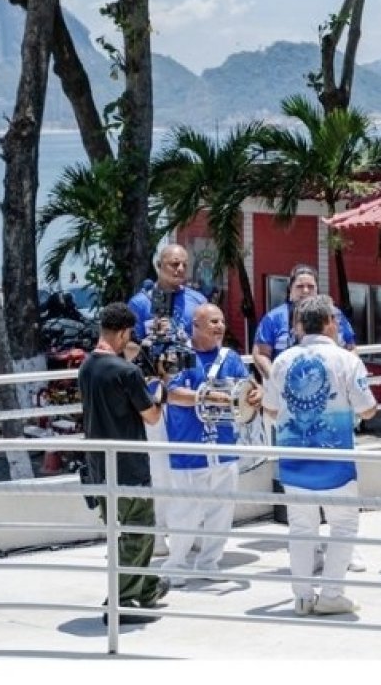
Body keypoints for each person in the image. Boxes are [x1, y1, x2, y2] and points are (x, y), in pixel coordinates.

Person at [262, 295, 377, 616]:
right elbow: (368, 409)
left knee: (301, 528)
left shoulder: (283, 361)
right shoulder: (346, 360)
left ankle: (301, 596)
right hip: (335, 460)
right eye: (336, 321)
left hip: (293, 458)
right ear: (328, 323)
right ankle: (331, 594)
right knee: (343, 525)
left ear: (300, 325)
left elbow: (269, 408)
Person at [79, 302, 170, 625]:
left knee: (126, 532)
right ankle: (123, 600)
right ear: (121, 333)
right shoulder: (127, 372)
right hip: (129, 467)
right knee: (139, 532)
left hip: (98, 467)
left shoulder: (87, 366)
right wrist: (161, 390)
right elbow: (152, 415)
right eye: (129, 334)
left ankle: (146, 588)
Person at [161, 304, 261, 586]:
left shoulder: (230, 357)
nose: (219, 326)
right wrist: (210, 398)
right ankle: (175, 565)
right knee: (185, 511)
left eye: (221, 321)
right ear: (196, 324)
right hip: (189, 447)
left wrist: (256, 393)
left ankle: (209, 562)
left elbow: (248, 385)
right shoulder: (179, 355)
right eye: (213, 322)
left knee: (221, 510)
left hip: (224, 447)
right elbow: (173, 393)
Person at [127, 243, 206, 556]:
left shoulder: (197, 301)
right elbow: (127, 345)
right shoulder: (140, 303)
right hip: (155, 394)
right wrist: (151, 356)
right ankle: (159, 534)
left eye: (184, 264)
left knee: (192, 465)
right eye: (173, 264)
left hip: (189, 394)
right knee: (158, 467)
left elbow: (207, 341)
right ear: (158, 266)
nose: (180, 270)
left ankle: (194, 530)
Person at [252, 263, 357, 380]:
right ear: (290, 289)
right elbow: (260, 354)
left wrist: (349, 375)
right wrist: (276, 381)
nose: (306, 291)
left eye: (311, 286)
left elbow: (350, 349)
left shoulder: (335, 315)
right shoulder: (272, 319)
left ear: (317, 289)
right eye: (300, 286)